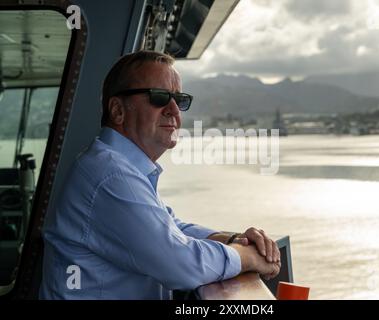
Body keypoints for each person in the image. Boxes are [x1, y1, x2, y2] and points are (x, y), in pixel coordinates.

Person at [39, 51, 280, 299]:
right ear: (118, 110)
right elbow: (180, 264)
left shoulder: (119, 167)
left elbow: (170, 226)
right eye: (159, 97)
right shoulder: (110, 176)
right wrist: (247, 256)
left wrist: (233, 239)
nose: (174, 109)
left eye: (180, 99)